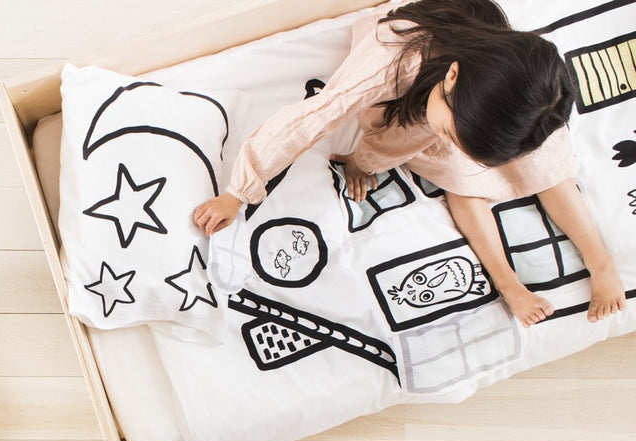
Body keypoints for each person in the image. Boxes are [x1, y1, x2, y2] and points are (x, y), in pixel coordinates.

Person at [193, 0, 625, 327]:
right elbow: (307, 120)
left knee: (544, 165)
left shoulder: (510, 63)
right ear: (452, 76)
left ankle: (601, 261)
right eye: (452, 132)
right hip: (402, 103)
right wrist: (239, 193)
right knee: (463, 182)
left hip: (472, 105)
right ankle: (508, 283)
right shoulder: (385, 63)